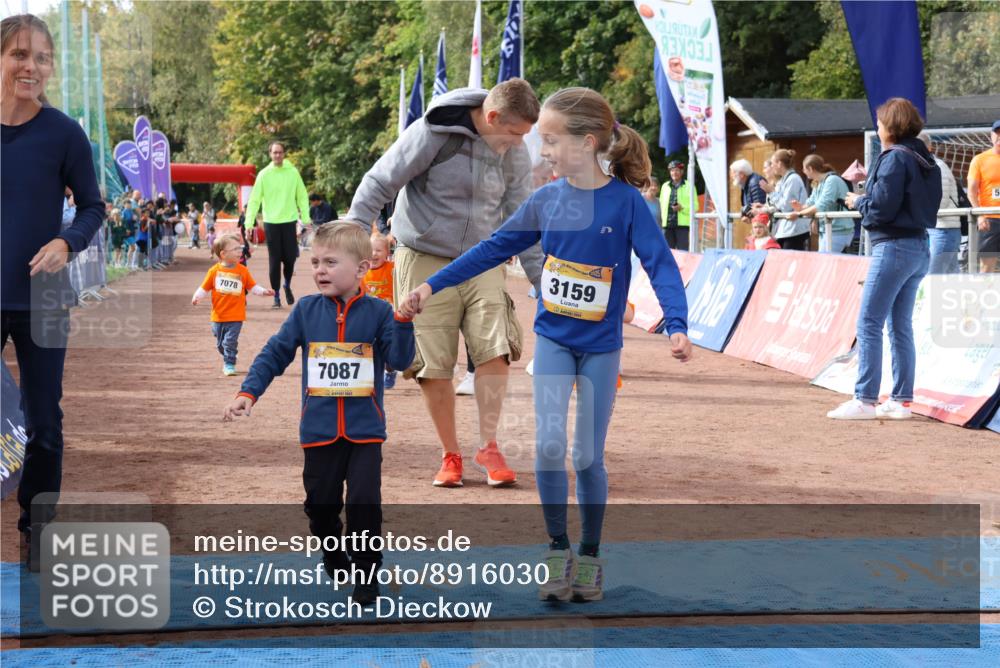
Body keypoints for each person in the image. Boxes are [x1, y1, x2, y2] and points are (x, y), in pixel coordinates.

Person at [400, 87, 692, 603]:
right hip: (554, 339)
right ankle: (558, 551)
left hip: (600, 347)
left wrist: (676, 322)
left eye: (552, 141)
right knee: (550, 448)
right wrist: (430, 285)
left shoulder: (626, 204)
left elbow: (660, 263)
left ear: (588, 142)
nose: (544, 152)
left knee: (586, 457)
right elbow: (493, 248)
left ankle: (592, 556)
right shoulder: (545, 199)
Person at [345, 77, 544, 488]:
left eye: (524, 136)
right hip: (423, 256)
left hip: (483, 258)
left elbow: (523, 218)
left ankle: (488, 446)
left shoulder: (516, 150)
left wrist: (543, 283)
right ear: (491, 117)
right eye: (512, 134)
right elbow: (381, 181)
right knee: (432, 363)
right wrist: (352, 234)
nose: (517, 144)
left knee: (497, 348)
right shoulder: (434, 131)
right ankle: (450, 454)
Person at [223, 223, 415, 605]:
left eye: (330, 262)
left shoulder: (379, 312)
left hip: (365, 431)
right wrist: (249, 391)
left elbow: (399, 360)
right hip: (319, 430)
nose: (319, 270)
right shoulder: (306, 311)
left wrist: (404, 323)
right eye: (314, 262)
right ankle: (332, 552)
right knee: (320, 503)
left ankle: (366, 573)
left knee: (364, 501)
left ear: (361, 269)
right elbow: (275, 353)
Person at [1, 13, 105, 568]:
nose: (31, 67)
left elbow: (92, 206)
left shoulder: (64, 132)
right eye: (20, 54)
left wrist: (67, 243)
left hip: (42, 298)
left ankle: (37, 534)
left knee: (44, 421)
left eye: (42, 58)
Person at [829, 98, 940, 421]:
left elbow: (881, 208)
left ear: (891, 126)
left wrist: (859, 201)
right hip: (919, 246)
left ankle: (864, 398)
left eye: (879, 124)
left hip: (893, 246)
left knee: (869, 322)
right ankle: (901, 399)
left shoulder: (893, 159)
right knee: (900, 326)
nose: (877, 129)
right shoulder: (924, 157)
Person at [192, 233, 274, 375]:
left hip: (236, 315)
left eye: (240, 248)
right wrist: (196, 297)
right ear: (223, 254)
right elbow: (204, 288)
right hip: (218, 316)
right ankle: (229, 354)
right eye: (235, 249)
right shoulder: (214, 271)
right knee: (220, 344)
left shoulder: (242, 270)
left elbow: (252, 287)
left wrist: (263, 292)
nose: (240, 251)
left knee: (229, 341)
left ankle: (229, 363)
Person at [243, 141, 311, 308]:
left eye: (280, 152)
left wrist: (306, 218)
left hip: (289, 221)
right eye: (274, 152)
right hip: (271, 222)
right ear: (270, 154)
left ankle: (286, 285)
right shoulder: (264, 174)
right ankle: (276, 295)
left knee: (289, 258)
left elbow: (302, 195)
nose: (277, 155)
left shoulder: (293, 172)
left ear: (284, 154)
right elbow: (254, 200)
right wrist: (249, 223)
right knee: (274, 260)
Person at [790, 154, 851, 253]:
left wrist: (800, 213)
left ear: (810, 168)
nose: (803, 171)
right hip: (828, 229)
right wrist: (800, 208)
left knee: (825, 263)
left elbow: (822, 205)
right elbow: (810, 203)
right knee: (828, 263)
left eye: (804, 168)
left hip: (839, 230)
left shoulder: (832, 180)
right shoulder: (818, 182)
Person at [919, 133, 961, 274]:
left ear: (929, 147)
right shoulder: (929, 167)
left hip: (943, 230)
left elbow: (940, 202)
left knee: (933, 277)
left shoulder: (937, 167)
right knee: (951, 277)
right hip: (940, 230)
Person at [364, 233, 397, 389]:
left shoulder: (392, 268)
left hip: (388, 314)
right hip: (369, 315)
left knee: (388, 346)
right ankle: (371, 374)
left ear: (387, 254)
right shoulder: (362, 271)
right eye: (370, 250)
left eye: (378, 250)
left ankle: (390, 370)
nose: (373, 254)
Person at [762, 149, 810, 251]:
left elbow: (786, 207)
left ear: (779, 163)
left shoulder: (793, 179)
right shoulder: (783, 180)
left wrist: (771, 192)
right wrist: (762, 208)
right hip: (785, 230)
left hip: (794, 230)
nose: (771, 166)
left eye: (773, 163)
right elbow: (777, 205)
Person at [968, 119, 1000, 273]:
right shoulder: (979, 160)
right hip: (990, 220)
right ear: (991, 135)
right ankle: (984, 296)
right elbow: (971, 191)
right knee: (987, 267)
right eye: (997, 133)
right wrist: (980, 215)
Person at [659, 159, 693, 250]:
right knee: (668, 252)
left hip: (682, 226)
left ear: (682, 172)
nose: (674, 172)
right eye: (672, 170)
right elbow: (661, 205)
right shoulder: (664, 186)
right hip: (667, 226)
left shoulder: (690, 186)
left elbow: (695, 206)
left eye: (677, 170)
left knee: (683, 252)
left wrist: (682, 208)